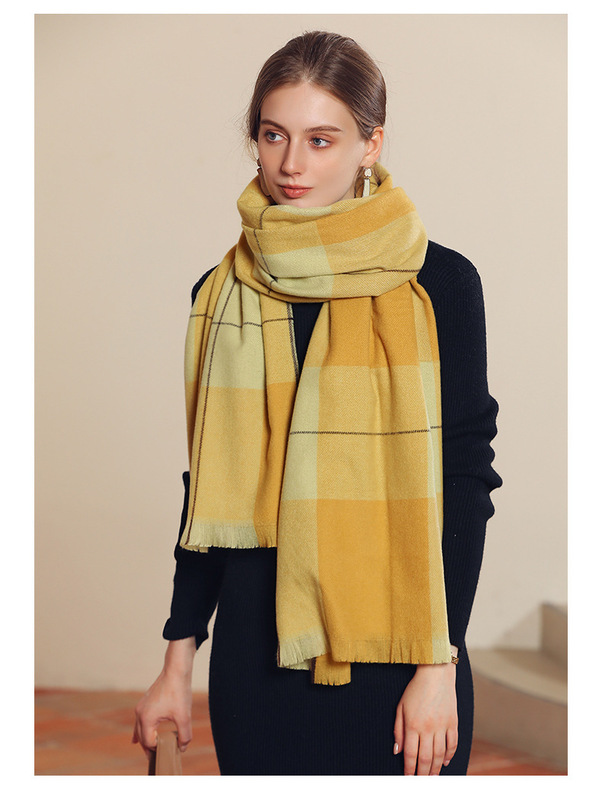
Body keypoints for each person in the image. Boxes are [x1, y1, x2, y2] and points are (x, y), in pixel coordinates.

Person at [133, 30, 502, 776]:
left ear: (371, 145)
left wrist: (439, 663)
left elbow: (464, 481)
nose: (291, 164)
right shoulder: (222, 294)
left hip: (399, 650)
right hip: (256, 657)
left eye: (321, 140)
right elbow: (207, 490)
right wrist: (177, 659)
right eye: (274, 135)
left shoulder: (441, 285)